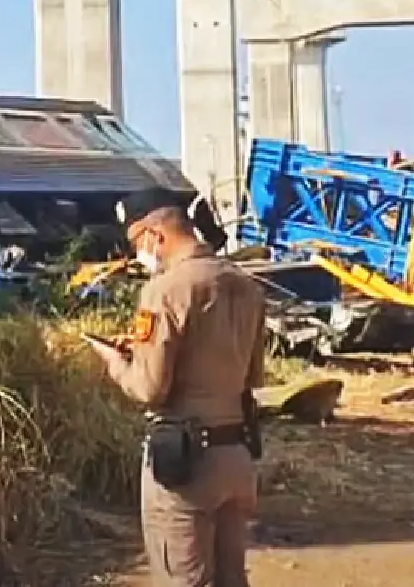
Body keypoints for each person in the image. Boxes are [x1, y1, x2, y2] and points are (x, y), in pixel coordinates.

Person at [89, 187, 268, 587]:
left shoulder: (165, 290)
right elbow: (253, 376)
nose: (139, 252)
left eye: (137, 242)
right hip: (236, 456)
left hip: (185, 464)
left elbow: (149, 388)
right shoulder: (246, 285)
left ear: (155, 234)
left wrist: (117, 363)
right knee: (231, 579)